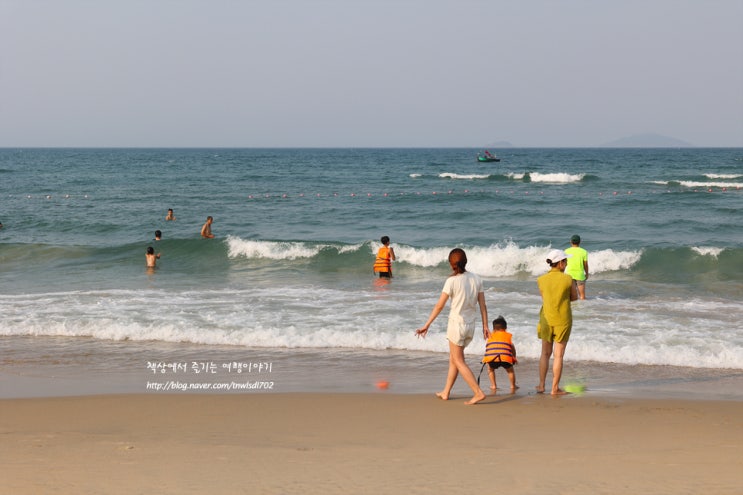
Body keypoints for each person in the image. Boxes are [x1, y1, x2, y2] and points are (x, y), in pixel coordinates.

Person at [415, 248, 489, 405]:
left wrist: (427, 324)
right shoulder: (477, 279)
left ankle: (478, 392)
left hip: (456, 325)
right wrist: (485, 326)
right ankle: (446, 392)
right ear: (465, 261)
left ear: (451, 264)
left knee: (458, 360)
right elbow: (483, 306)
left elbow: (439, 306)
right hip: (470, 325)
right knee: (453, 359)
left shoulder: (451, 281)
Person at [536, 249, 578, 395]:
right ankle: (554, 388)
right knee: (558, 355)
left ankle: (541, 385)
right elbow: (574, 297)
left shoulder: (541, 280)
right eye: (565, 261)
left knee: (545, 353)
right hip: (562, 320)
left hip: (546, 319)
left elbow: (544, 298)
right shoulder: (568, 279)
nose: (566, 264)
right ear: (560, 263)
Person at [484, 315, 518, 392]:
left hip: (492, 359)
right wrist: (514, 357)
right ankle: (513, 386)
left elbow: (489, 348)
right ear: (505, 328)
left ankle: (493, 385)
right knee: (510, 371)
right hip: (505, 358)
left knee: (490, 369)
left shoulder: (490, 336)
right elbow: (512, 347)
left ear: (493, 329)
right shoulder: (506, 336)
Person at [565, 234, 589, 300]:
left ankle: (572, 306)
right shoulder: (584, 252)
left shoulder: (566, 251)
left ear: (571, 241)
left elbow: (564, 264)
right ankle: (582, 306)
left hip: (569, 275)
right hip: (580, 275)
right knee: (582, 295)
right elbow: (585, 265)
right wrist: (587, 273)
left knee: (570, 296)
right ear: (580, 242)